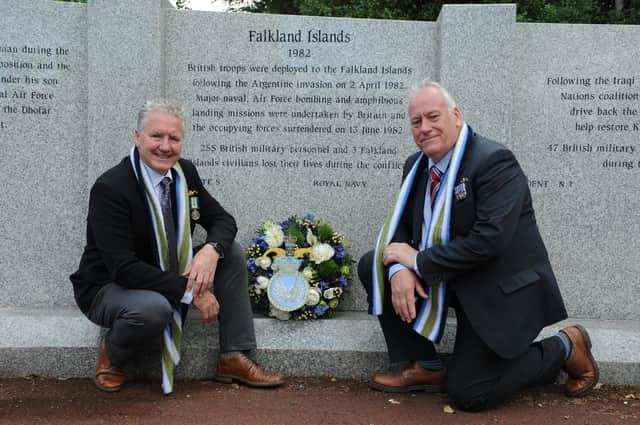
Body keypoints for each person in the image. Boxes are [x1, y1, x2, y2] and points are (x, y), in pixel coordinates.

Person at [358, 81, 598, 411]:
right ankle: (423, 366)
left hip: (497, 289)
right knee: (375, 264)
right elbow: (400, 223)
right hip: (455, 279)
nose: (425, 128)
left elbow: (489, 241)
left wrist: (419, 261)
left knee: (470, 393)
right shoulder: (415, 165)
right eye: (416, 122)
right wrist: (400, 267)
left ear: (456, 115)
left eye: (433, 116)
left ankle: (565, 347)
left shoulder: (494, 162)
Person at [70, 99, 284, 394]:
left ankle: (234, 356)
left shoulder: (184, 173)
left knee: (230, 251)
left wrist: (210, 250)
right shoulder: (111, 188)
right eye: (156, 136)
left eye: (174, 138)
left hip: (166, 271)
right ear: (137, 136)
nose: (165, 146)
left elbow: (222, 219)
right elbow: (123, 269)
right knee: (153, 309)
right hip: (110, 287)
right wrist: (192, 291)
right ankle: (112, 355)